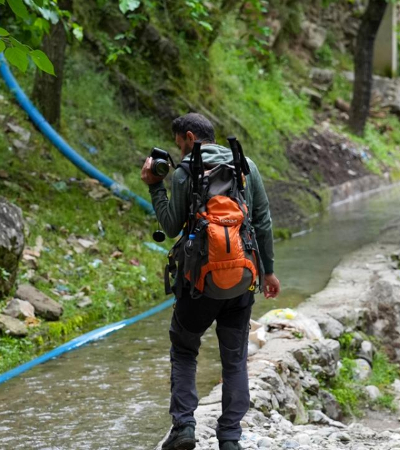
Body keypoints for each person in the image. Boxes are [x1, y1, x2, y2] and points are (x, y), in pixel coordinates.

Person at [141, 113, 280, 450]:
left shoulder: (187, 170)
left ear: (189, 136)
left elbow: (172, 226)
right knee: (234, 358)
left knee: (185, 349)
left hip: (198, 284)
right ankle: (230, 437)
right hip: (242, 279)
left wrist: (155, 185)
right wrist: (269, 271)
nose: (180, 151)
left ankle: (184, 428)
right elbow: (262, 219)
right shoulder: (245, 165)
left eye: (180, 143)